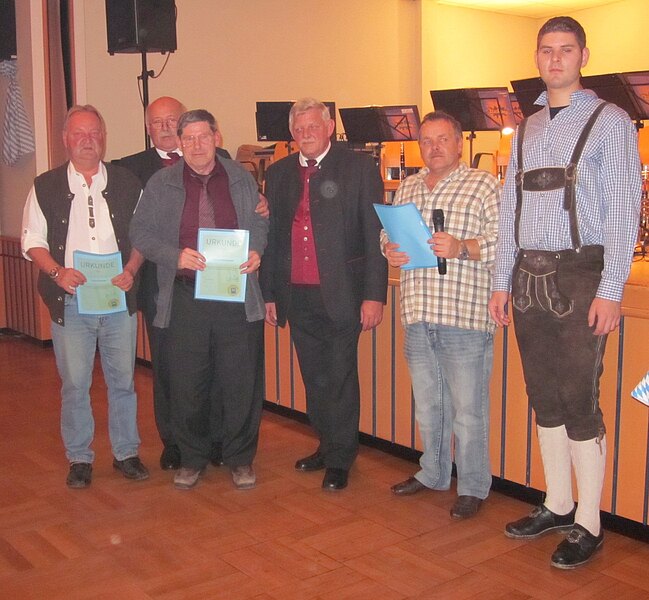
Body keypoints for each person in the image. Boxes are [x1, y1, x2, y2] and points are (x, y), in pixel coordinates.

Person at [488, 16, 641, 568]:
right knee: (543, 394)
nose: (555, 59)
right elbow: (510, 209)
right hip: (527, 276)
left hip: (581, 274)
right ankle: (556, 503)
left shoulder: (611, 121)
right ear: (536, 57)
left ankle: (589, 522)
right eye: (547, 50)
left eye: (566, 50)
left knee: (579, 398)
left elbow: (625, 209)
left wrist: (611, 289)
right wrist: (500, 281)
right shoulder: (526, 127)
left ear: (583, 56)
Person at [116, 96, 265, 471]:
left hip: (234, 293)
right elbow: (140, 232)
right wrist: (174, 255)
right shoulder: (161, 182)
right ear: (180, 143)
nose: (197, 145)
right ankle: (192, 458)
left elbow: (260, 219)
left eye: (203, 136)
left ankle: (239, 458)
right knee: (188, 381)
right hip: (184, 294)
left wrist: (257, 249)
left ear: (217, 137)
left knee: (239, 380)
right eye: (189, 138)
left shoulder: (240, 177)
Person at [260, 97, 388, 491]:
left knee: (340, 376)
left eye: (313, 126)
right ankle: (326, 444)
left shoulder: (359, 167)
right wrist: (269, 293)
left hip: (343, 294)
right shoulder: (279, 173)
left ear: (329, 127)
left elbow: (375, 233)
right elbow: (272, 239)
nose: (306, 134)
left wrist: (374, 295)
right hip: (296, 294)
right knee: (313, 377)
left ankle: (341, 456)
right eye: (299, 129)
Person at [21, 104, 149, 488]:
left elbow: (142, 237)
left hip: (117, 299)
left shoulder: (127, 182)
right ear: (66, 139)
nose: (87, 140)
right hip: (71, 301)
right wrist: (57, 273)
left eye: (94, 133)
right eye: (79, 133)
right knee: (75, 384)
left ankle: (126, 452)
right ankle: (79, 458)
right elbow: (32, 241)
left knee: (122, 381)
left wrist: (131, 270)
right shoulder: (45, 185)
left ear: (103, 137)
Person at [382, 111, 499, 519]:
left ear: (460, 142)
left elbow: (506, 243)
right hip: (418, 313)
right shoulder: (408, 186)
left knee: (468, 411)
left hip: (463, 317)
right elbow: (389, 234)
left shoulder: (484, 184)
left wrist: (462, 247)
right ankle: (432, 473)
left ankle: (473, 486)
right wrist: (389, 249)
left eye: (442, 139)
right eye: (426, 141)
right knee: (429, 407)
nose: (434, 148)